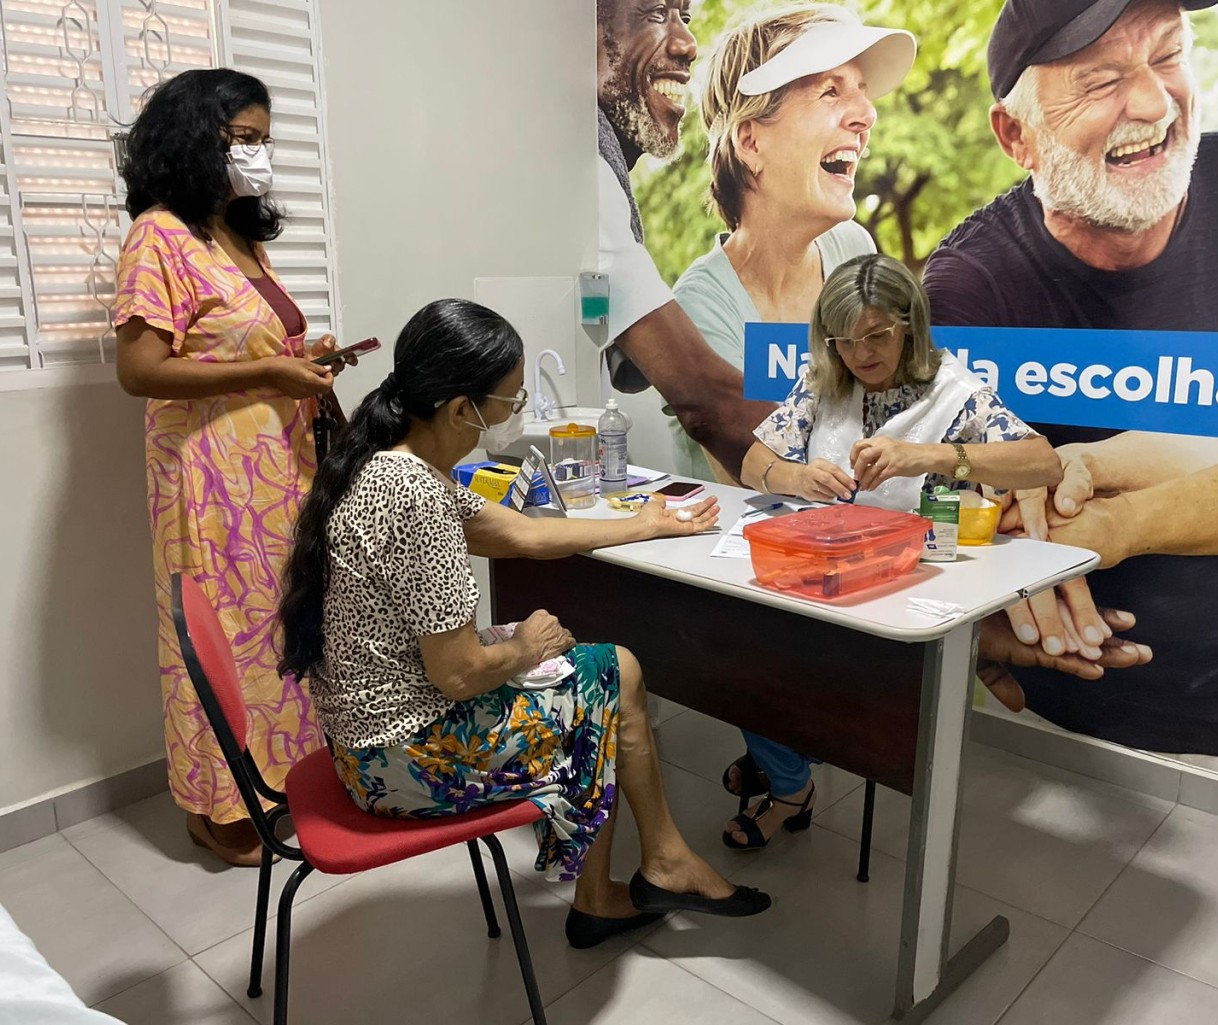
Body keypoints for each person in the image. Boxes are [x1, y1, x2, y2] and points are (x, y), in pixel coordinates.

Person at [276, 298, 772, 949]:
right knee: (612, 675)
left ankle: (651, 864)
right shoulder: (417, 498)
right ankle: (641, 874)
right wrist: (525, 644)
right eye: (508, 402)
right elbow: (456, 673)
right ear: (461, 409)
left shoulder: (382, 461)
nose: (513, 415)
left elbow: (512, 530)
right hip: (403, 761)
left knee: (606, 667)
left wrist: (648, 522)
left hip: (365, 740)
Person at [923, 0, 1218, 756]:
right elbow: (947, 519)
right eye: (1100, 81)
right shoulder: (968, 291)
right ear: (1014, 136)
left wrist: (1114, 512)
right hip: (1065, 727)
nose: (1153, 102)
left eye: (1167, 55)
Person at [716, 254, 1066, 848]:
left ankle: (789, 775)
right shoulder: (824, 381)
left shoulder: (955, 394)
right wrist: (794, 478)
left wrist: (935, 457)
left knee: (784, 668)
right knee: (737, 645)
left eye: (877, 335)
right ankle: (788, 756)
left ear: (911, 323)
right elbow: (754, 459)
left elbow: (1044, 461)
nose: (861, 354)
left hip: (904, 588)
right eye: (844, 341)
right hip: (820, 571)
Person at [113, 69, 355, 866]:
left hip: (277, 472)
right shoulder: (159, 235)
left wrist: (302, 360)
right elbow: (142, 369)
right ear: (194, 140)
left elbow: (247, 344)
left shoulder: (239, 235)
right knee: (219, 637)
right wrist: (267, 375)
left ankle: (283, 781)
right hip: (207, 479)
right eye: (240, 140)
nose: (257, 155)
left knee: (276, 632)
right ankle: (218, 809)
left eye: (262, 139)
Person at [669, 4, 916, 480]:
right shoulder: (702, 306)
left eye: (862, 93)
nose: (867, 115)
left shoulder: (852, 250)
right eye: (829, 91)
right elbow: (757, 474)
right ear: (751, 142)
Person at [596, 0, 777, 477]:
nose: (686, 44)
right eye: (656, 14)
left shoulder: (850, 247)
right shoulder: (581, 173)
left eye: (686, 17)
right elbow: (703, 399)